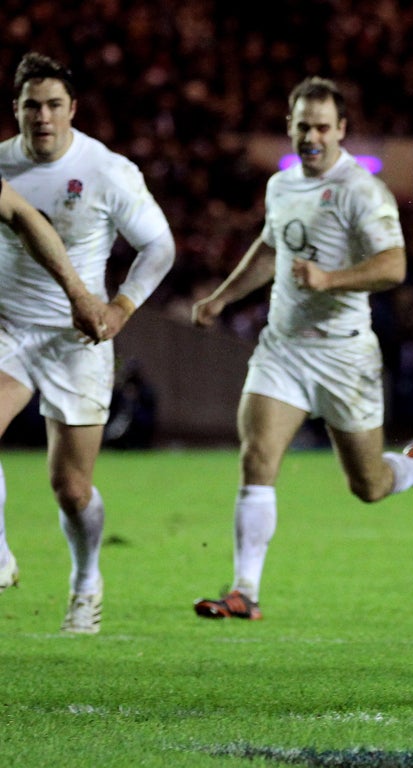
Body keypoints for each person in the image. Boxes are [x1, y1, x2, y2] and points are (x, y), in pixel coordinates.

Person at [190, 76, 413, 621]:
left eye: (322, 127)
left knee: (369, 486)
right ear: (290, 126)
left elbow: (393, 266)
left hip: (343, 355)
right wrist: (221, 299)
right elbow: (269, 249)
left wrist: (330, 279)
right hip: (282, 349)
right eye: (303, 125)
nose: (311, 136)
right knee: (257, 458)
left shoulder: (362, 190)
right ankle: (244, 592)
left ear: (342, 131)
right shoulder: (281, 186)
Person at [0, 52, 175, 634]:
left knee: (71, 490)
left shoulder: (106, 170)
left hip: (77, 340)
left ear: (72, 109)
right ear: (17, 110)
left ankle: (86, 579)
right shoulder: (2, 164)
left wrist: (122, 306)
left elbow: (159, 247)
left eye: (53, 105)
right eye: (32, 105)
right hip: (8, 329)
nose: (43, 116)